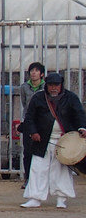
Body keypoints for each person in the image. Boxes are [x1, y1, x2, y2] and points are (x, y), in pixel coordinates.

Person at [21, 71, 86, 209]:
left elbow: (79, 114)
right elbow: (30, 117)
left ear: (61, 85)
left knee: (61, 171)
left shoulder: (71, 98)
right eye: (51, 85)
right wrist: (33, 132)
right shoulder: (38, 98)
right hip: (42, 140)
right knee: (38, 168)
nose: (53, 88)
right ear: (47, 85)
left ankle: (61, 198)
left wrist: (82, 128)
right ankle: (35, 198)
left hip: (64, 141)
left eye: (56, 85)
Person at [17, 62, 45, 183]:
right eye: (31, 71)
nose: (33, 73)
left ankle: (41, 178)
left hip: (43, 122)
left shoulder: (45, 87)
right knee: (27, 151)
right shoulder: (24, 87)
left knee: (41, 151)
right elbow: (25, 104)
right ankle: (28, 178)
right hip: (29, 121)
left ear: (42, 74)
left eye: (36, 71)